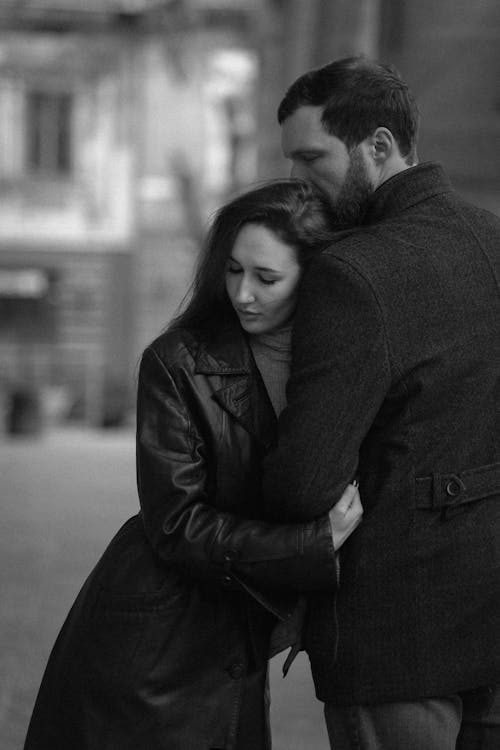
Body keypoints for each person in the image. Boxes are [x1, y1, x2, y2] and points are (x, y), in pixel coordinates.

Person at [23, 179, 363, 750]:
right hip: (158, 642)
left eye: (266, 278)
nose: (243, 294)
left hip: (237, 646)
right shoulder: (179, 361)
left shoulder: (340, 361)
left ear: (316, 277)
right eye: (232, 270)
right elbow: (176, 522)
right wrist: (310, 544)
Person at [260, 56, 500, 749]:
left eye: (312, 159)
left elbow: (305, 480)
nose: (300, 183)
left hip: (397, 630)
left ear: (380, 147)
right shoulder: (493, 239)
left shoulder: (353, 274)